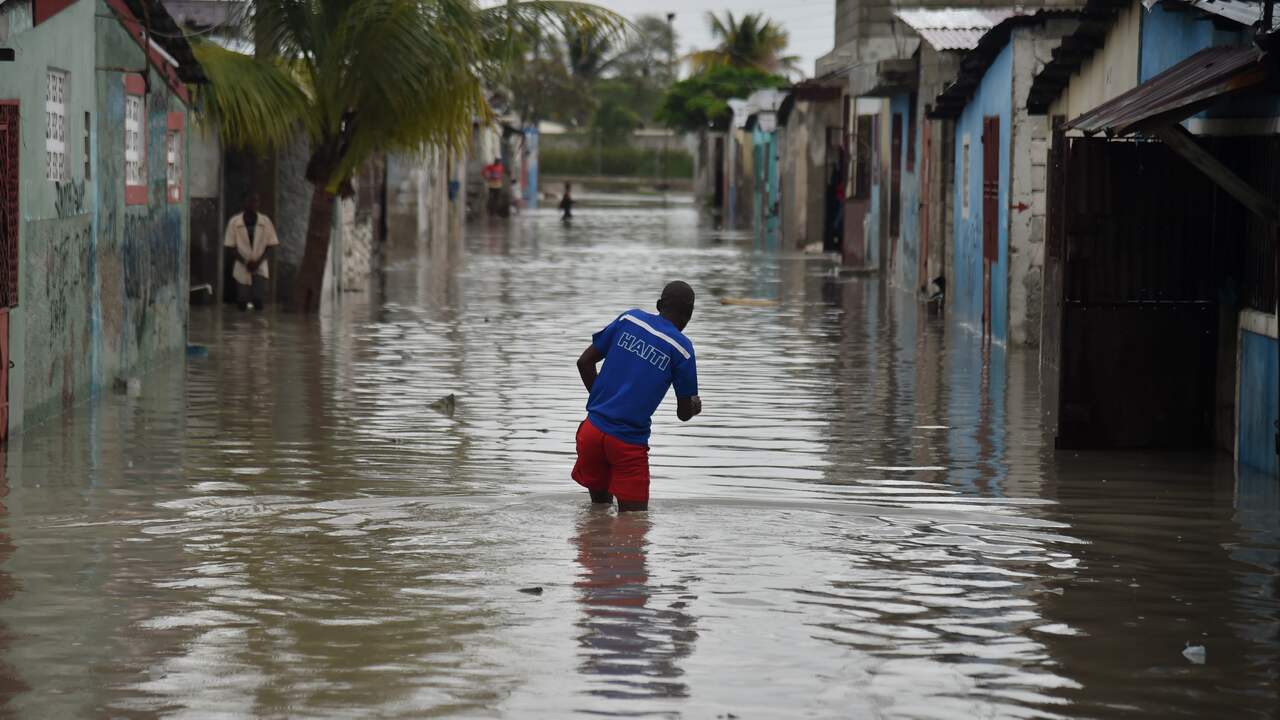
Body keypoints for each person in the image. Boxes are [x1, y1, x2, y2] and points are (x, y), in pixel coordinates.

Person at [573, 281, 702, 512]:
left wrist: (606, 402)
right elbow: (683, 414)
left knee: (598, 516)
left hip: (591, 433)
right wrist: (694, 405)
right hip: (627, 443)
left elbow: (584, 362)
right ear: (690, 315)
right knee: (632, 534)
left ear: (659, 304)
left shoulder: (629, 319)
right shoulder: (682, 349)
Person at [223, 191, 279, 311]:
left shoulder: (265, 221)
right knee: (242, 300)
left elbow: (271, 244)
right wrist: (245, 262)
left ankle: (258, 327)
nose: (254, 204)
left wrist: (258, 262)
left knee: (258, 299)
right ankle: (241, 327)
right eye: (251, 201)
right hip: (242, 264)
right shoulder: (234, 222)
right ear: (244, 203)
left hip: (260, 264)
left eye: (256, 201)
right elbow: (230, 246)